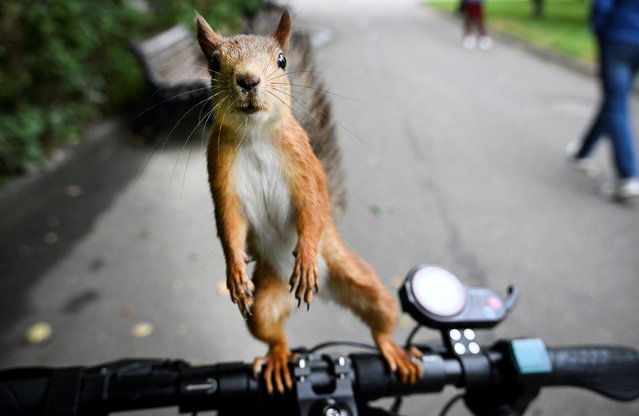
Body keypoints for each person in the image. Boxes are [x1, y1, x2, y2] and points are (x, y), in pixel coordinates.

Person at [568, 0, 639, 200]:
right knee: (613, 100)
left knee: (616, 105)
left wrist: (598, 30)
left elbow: (602, 6)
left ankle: (628, 176)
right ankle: (582, 151)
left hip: (617, 38)